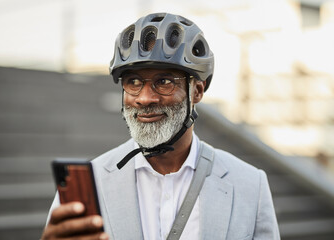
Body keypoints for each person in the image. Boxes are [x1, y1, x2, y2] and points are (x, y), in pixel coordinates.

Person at [41, 12, 280, 240]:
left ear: (196, 91)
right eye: (133, 81)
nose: (144, 98)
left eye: (164, 81)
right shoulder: (87, 184)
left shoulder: (251, 184)